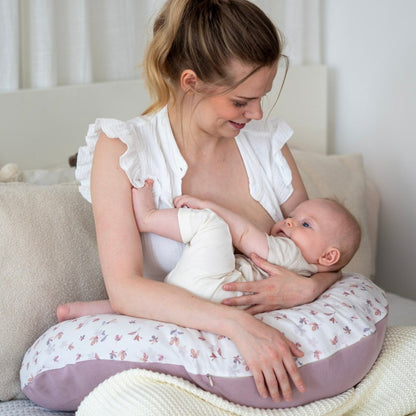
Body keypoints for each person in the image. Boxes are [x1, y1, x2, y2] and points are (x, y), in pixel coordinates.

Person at [57, 0, 343, 404]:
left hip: (278, 356)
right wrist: (237, 326)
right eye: (241, 102)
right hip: (179, 362)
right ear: (190, 82)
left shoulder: (267, 147)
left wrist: (309, 289)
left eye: (262, 96)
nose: (257, 114)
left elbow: (322, 253)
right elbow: (125, 289)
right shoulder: (123, 149)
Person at [128, 180, 361, 304]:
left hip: (214, 286)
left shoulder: (292, 254)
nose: (289, 223)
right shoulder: (304, 272)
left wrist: (206, 206)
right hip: (214, 295)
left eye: (306, 225)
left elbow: (243, 234)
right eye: (291, 217)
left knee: (211, 224)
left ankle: (148, 218)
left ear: (329, 256)